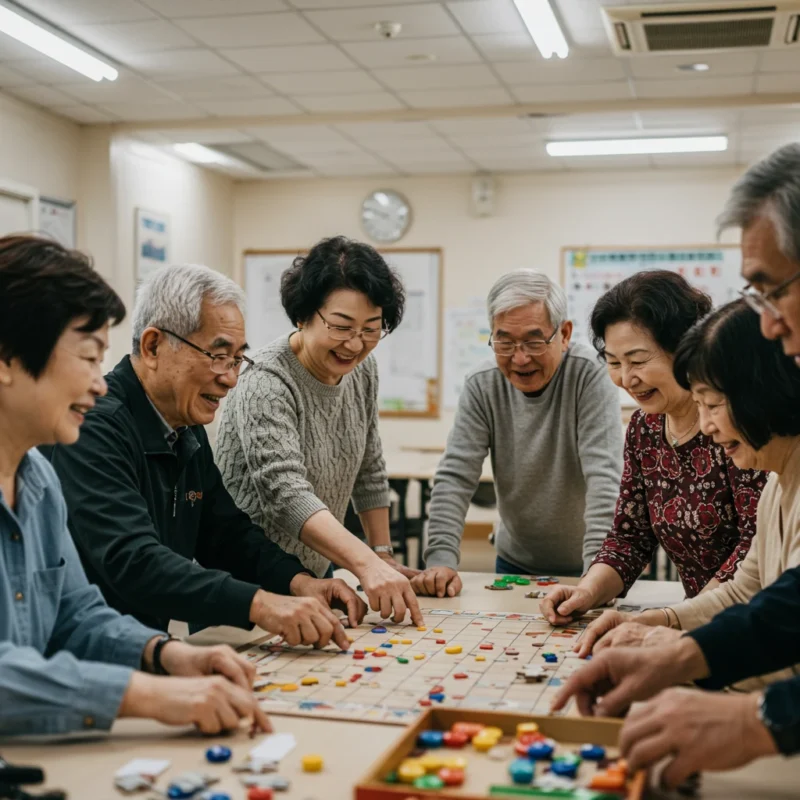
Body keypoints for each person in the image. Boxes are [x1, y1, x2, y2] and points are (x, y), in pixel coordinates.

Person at [552, 143, 800, 786]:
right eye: (612, 360)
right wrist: (665, 635)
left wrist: (755, 711)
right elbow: (764, 593)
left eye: (774, 292)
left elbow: (774, 605)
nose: (771, 324)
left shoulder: (764, 454)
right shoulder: (779, 476)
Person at [0, 235, 270, 737]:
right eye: (86, 357)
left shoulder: (37, 479)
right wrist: (146, 693)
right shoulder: (95, 435)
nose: (101, 383)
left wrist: (162, 655)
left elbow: (75, 616)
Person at [47, 261, 366, 650]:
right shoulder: (95, 427)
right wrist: (260, 604)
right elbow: (134, 560)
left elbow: (222, 531)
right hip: (87, 661)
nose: (230, 378)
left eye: (236, 359)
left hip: (146, 651)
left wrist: (299, 583)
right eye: (218, 356)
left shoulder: (183, 421)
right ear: (152, 347)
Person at [576, 300, 800, 665]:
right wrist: (658, 621)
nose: (708, 427)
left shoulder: (764, 461)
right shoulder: (777, 485)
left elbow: (778, 632)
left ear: (762, 392)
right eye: (615, 362)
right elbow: (745, 588)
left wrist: (685, 650)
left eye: (712, 405)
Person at [217, 237, 423, 626]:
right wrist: (364, 563)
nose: (355, 344)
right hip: (249, 577)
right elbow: (286, 494)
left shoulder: (362, 371)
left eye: (371, 329)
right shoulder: (265, 380)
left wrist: (381, 554)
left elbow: (369, 465)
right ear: (303, 316)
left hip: (317, 572)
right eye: (341, 326)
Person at [542, 271, 766, 626]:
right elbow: (629, 537)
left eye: (639, 360)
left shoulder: (732, 423)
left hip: (747, 621)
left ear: (684, 347)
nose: (626, 379)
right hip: (695, 622)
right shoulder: (645, 428)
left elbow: (754, 550)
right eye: (614, 363)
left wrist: (671, 621)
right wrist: (587, 591)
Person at [414, 269, 623, 598]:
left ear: (564, 334)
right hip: (516, 563)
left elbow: (605, 479)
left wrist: (594, 576)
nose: (520, 358)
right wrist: (441, 561)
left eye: (534, 341)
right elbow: (455, 476)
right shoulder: (482, 384)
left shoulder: (590, 378)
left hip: (591, 567)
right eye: (505, 342)